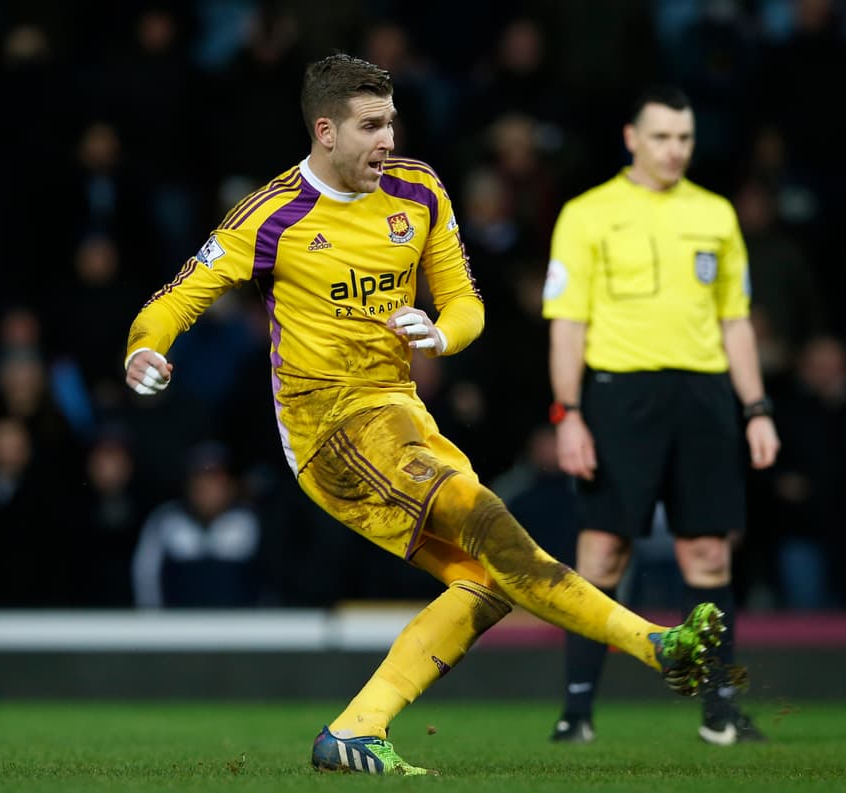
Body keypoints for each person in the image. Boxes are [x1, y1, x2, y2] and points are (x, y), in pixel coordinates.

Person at [123, 54, 728, 776]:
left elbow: (466, 302)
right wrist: (145, 349)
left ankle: (356, 729)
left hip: (401, 414)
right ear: (325, 130)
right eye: (371, 125)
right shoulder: (270, 214)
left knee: (487, 579)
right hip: (329, 430)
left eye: (391, 121)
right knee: (487, 518)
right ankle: (654, 645)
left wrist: (442, 334)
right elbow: (176, 297)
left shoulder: (419, 189)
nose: (388, 139)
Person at [541, 85, 781, 746]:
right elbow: (568, 324)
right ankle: (577, 710)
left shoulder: (716, 215)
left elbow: (736, 323)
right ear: (631, 138)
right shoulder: (587, 214)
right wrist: (569, 414)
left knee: (707, 552)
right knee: (603, 549)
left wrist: (756, 407)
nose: (675, 150)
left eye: (684, 138)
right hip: (620, 396)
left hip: (704, 396)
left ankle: (717, 708)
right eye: (662, 137)